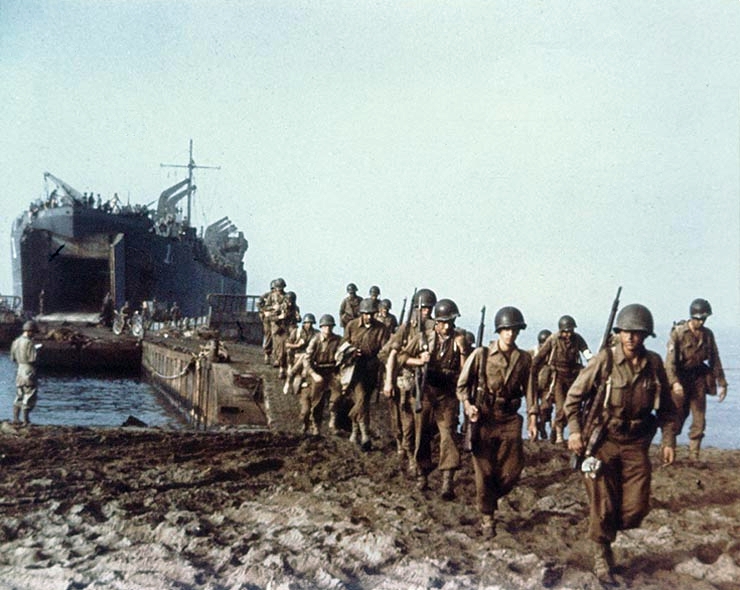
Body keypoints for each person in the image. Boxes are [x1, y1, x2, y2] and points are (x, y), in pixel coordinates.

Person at [564, 303, 677, 585]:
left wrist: (668, 439)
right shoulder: (605, 361)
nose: (630, 338)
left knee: (635, 509)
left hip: (636, 443)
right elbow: (574, 397)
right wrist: (575, 432)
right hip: (604, 441)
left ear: (645, 336)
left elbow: (666, 409)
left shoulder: (653, 363)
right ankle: (602, 557)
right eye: (626, 332)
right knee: (603, 504)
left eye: (637, 333)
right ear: (619, 333)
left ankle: (607, 534)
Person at [456, 306, 533, 536]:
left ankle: (490, 498)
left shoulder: (524, 358)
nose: (511, 334)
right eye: (506, 329)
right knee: (485, 470)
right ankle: (487, 517)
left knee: (513, 467)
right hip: (485, 416)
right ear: (499, 331)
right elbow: (461, 385)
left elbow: (531, 390)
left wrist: (534, 418)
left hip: (510, 417)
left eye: (515, 330)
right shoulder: (481, 355)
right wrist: (468, 406)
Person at [400, 298, 466, 499]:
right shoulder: (424, 338)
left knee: (448, 436)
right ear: (436, 322)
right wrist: (420, 360)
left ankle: (447, 481)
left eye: (451, 322)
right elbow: (402, 358)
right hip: (426, 392)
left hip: (447, 395)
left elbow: (466, 371)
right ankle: (422, 474)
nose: (447, 326)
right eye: (443, 322)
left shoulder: (460, 339)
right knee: (422, 435)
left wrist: (463, 350)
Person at [380, 288, 437, 473]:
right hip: (404, 380)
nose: (426, 312)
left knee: (422, 424)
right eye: (423, 309)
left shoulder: (433, 328)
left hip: (423, 383)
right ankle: (407, 451)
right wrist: (389, 382)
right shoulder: (406, 329)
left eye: (429, 308)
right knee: (405, 424)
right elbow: (393, 356)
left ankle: (413, 455)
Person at [665, 298, 727, 461]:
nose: (701, 321)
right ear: (692, 317)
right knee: (676, 417)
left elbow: (714, 359)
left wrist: (722, 383)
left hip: (698, 380)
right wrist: (674, 383)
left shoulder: (708, 335)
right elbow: (670, 363)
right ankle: (669, 452)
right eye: (698, 318)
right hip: (681, 380)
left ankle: (694, 456)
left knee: (699, 420)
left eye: (704, 319)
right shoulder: (678, 333)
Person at [530, 315, 592, 443]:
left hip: (573, 376)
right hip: (557, 377)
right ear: (561, 331)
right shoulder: (553, 339)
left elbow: (586, 353)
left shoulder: (577, 339)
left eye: (570, 331)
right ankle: (559, 434)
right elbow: (540, 356)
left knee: (573, 405)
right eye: (565, 331)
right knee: (560, 407)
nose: (568, 334)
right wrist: (532, 372)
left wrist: (593, 364)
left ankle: (557, 429)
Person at [341, 297, 390, 451]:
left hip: (372, 368)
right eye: (366, 313)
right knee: (361, 397)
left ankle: (355, 432)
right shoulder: (352, 325)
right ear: (361, 313)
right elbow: (343, 344)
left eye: (372, 313)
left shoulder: (381, 328)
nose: (369, 316)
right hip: (354, 368)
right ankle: (365, 435)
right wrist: (353, 351)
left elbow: (385, 349)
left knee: (363, 402)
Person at [302, 314, 342, 436]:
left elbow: (343, 355)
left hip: (332, 371)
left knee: (338, 394)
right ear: (321, 327)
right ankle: (316, 426)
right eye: (325, 327)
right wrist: (314, 374)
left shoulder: (338, 339)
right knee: (317, 400)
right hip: (317, 371)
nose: (327, 329)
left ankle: (333, 420)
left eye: (330, 327)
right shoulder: (315, 340)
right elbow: (306, 360)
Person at [10, 321, 41, 426]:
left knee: (19, 394)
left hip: (19, 370)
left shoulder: (16, 341)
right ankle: (26, 420)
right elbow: (33, 359)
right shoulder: (29, 343)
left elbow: (12, 358)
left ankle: (15, 419)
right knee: (30, 394)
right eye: (34, 332)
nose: (34, 334)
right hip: (28, 370)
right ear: (30, 331)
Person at [283, 313, 317, 397]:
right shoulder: (297, 332)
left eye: (311, 323)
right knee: (299, 373)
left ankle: (291, 379)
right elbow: (287, 344)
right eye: (307, 323)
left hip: (309, 357)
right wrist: (297, 345)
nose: (309, 325)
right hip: (296, 355)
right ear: (304, 323)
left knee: (303, 373)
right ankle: (291, 381)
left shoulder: (316, 333)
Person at [530, 328, 553, 441]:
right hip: (533, 385)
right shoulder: (532, 353)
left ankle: (542, 425)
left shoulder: (553, 355)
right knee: (532, 408)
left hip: (546, 386)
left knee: (546, 407)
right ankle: (532, 432)